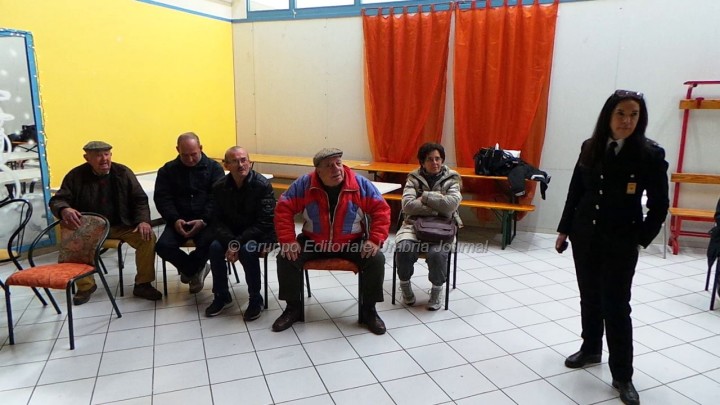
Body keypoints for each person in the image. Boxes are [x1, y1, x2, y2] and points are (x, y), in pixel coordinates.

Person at [556, 90, 669, 405]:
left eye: (634, 115)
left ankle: (622, 375)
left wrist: (640, 238)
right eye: (621, 113)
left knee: (617, 306)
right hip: (586, 235)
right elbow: (576, 191)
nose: (627, 121)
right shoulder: (590, 147)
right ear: (608, 115)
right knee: (589, 297)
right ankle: (591, 348)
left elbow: (660, 204)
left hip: (621, 241)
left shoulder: (649, 154)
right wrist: (564, 229)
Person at [272, 148, 391, 334]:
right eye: (329, 166)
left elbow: (381, 211)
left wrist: (375, 240)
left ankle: (369, 310)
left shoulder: (360, 184)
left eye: (338, 163)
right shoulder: (304, 184)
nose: (336, 169)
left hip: (351, 242)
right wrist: (288, 240)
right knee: (286, 257)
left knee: (376, 259)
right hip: (313, 241)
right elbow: (283, 209)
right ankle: (293, 308)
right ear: (318, 171)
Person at [50, 141, 163, 305]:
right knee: (73, 237)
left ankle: (143, 284)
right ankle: (86, 286)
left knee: (147, 237)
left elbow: (139, 199)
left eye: (106, 154)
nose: (104, 159)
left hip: (122, 225)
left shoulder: (123, 172)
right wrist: (64, 209)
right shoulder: (75, 176)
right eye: (98, 156)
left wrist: (143, 221)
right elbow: (58, 200)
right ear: (87, 158)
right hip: (90, 227)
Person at [204, 146, 276, 321]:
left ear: (250, 163)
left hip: (260, 235)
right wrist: (232, 241)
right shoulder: (219, 186)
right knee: (214, 247)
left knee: (247, 250)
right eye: (235, 161)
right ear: (226, 165)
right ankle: (221, 295)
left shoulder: (262, 185)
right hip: (232, 235)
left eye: (244, 160)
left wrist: (236, 243)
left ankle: (255, 298)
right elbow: (216, 221)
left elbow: (265, 222)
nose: (240, 165)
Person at [154, 132, 224, 294]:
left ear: (201, 148)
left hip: (206, 221)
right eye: (185, 155)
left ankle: (191, 269)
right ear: (177, 150)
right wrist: (174, 219)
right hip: (179, 220)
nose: (190, 159)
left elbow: (217, 198)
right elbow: (163, 198)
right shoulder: (167, 170)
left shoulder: (214, 168)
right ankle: (196, 269)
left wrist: (204, 220)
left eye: (194, 154)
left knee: (212, 244)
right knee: (163, 246)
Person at [395, 142, 462, 310]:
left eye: (438, 159)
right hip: (412, 225)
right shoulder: (413, 178)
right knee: (404, 248)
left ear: (442, 160)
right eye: (430, 159)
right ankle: (405, 285)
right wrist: (438, 206)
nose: (435, 163)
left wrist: (424, 196)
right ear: (422, 162)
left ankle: (437, 290)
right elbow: (407, 206)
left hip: (443, 227)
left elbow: (451, 205)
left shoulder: (452, 178)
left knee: (437, 254)